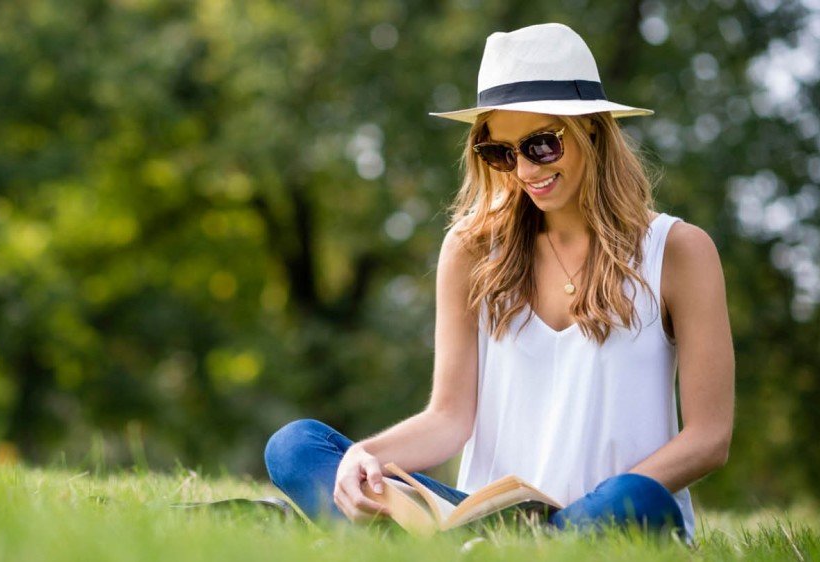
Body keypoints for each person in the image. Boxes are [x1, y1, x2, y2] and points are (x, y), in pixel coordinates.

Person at [263, 23, 734, 543]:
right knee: (295, 446)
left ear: (594, 132)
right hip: (483, 519)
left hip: (611, 517)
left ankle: (485, 549)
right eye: (501, 153)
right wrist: (369, 457)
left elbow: (709, 438)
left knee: (636, 497)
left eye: (542, 145)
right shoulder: (470, 250)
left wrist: (588, 511)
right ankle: (484, 547)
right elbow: (448, 417)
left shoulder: (679, 251)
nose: (524, 170)